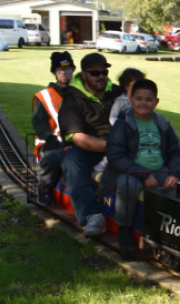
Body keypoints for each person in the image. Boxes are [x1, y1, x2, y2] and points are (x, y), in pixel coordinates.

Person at [100, 79, 180, 256]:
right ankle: (125, 231)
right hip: (130, 171)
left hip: (160, 169)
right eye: (139, 99)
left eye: (148, 99)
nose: (143, 103)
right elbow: (116, 156)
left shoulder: (163, 124)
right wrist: (144, 174)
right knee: (128, 186)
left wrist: (176, 174)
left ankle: (177, 234)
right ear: (130, 99)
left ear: (156, 101)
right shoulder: (122, 124)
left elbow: (176, 151)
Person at [58, 53, 123, 236]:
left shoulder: (118, 93)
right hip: (88, 148)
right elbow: (77, 137)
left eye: (104, 72)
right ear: (84, 74)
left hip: (121, 145)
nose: (101, 76)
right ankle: (92, 216)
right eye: (95, 73)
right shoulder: (72, 99)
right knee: (71, 161)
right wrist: (110, 147)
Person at [32, 52, 75, 205]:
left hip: (78, 142)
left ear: (73, 71)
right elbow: (39, 122)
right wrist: (48, 136)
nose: (64, 73)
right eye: (60, 70)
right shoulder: (43, 96)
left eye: (68, 69)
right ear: (55, 73)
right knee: (52, 158)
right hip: (51, 142)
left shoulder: (80, 93)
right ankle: (44, 187)